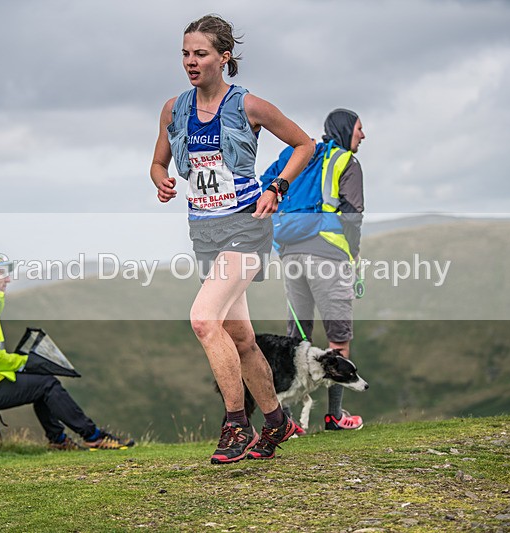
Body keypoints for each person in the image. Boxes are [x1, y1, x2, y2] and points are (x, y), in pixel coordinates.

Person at [150, 14, 313, 463]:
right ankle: (277, 421)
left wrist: (278, 186)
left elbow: (304, 144)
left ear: (224, 58)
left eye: (200, 53)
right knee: (240, 338)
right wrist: (161, 180)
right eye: (184, 53)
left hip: (246, 224)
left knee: (204, 319)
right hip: (204, 232)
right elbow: (158, 163)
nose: (190, 61)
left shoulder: (249, 106)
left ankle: (236, 424)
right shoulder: (173, 109)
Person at [0, 246, 135, 449]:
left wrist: (21, 364)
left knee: (41, 384)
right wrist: (26, 362)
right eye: (0, 272)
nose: (8, 279)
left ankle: (59, 441)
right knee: (46, 384)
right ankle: (92, 437)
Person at [261, 108, 367, 431]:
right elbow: (352, 215)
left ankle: (286, 422)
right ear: (346, 129)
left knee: (296, 339)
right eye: (360, 129)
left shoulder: (296, 155)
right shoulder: (345, 162)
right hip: (327, 256)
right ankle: (335, 416)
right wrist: (353, 255)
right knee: (338, 337)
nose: (363, 135)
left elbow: (265, 186)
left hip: (291, 254)